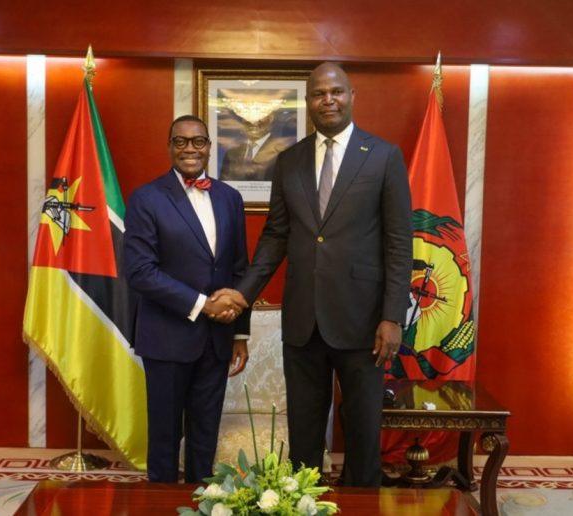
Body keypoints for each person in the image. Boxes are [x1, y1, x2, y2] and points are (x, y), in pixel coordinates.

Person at [217, 63, 412, 486]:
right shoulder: (290, 160)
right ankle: (305, 504)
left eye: (336, 92)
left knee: (362, 430)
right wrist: (243, 293)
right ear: (308, 102)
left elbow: (399, 243)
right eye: (319, 93)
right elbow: (276, 236)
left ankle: (362, 505)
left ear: (352, 96)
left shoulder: (383, 156)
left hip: (364, 321)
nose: (328, 100)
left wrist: (392, 316)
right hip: (303, 320)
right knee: (304, 432)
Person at [124, 115, 250, 483]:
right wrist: (203, 304)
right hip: (166, 337)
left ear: (209, 147)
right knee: (165, 438)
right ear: (169, 147)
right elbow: (140, 272)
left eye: (198, 141)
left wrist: (240, 333)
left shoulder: (229, 197)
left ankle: (202, 502)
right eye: (180, 141)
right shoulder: (146, 198)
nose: (189, 149)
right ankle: (161, 505)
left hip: (217, 339)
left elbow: (238, 268)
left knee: (205, 436)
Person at [220, 111, 295, 182]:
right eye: (248, 115)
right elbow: (223, 184)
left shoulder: (283, 153)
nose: (253, 122)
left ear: (270, 119)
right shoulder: (231, 153)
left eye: (260, 115)